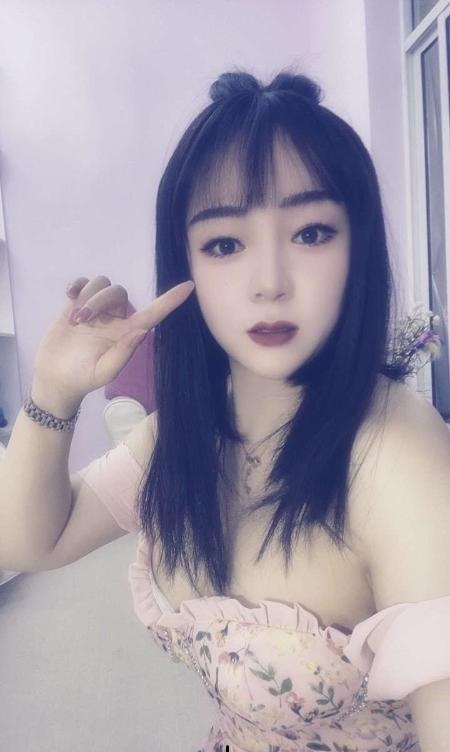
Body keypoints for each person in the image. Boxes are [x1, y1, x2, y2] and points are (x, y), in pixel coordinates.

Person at [1, 67, 449, 752]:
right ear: (186, 267)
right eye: (225, 244)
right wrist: (53, 392)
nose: (269, 283)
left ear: (358, 248)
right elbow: (30, 543)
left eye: (311, 233)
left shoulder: (398, 456)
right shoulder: (189, 434)